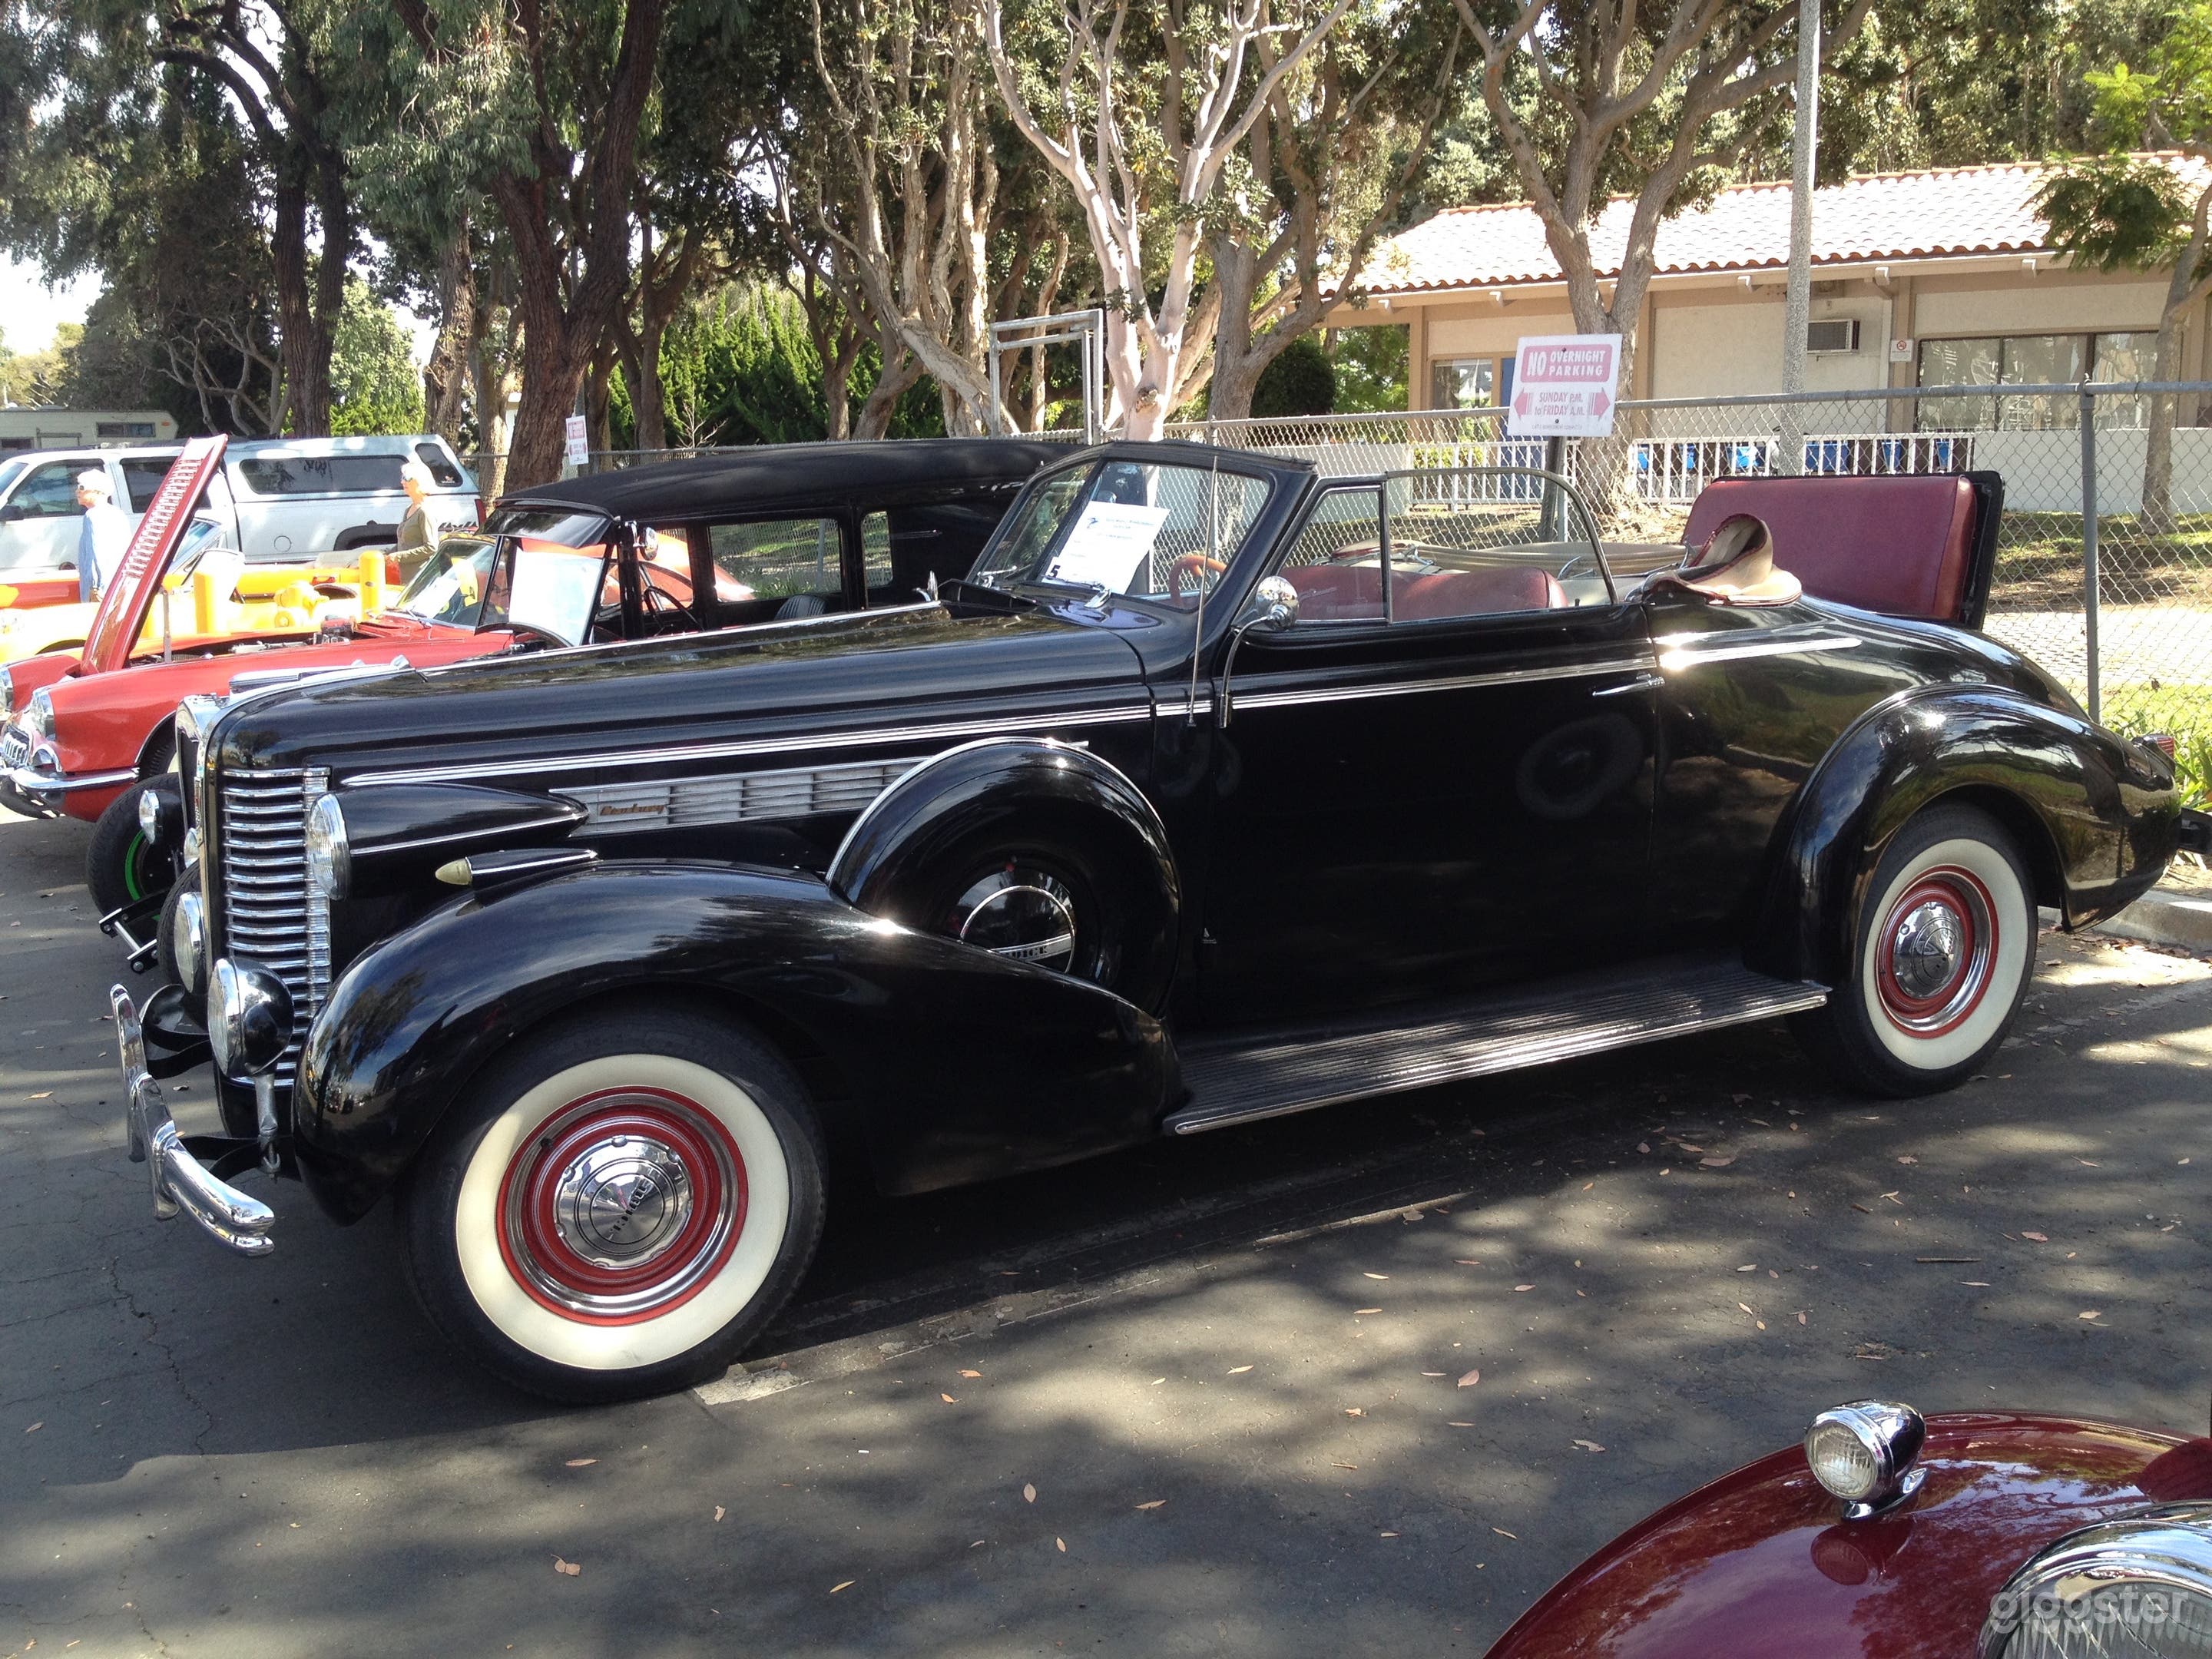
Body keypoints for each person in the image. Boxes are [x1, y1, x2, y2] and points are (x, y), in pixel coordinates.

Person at [75, 471, 133, 602]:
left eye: (82, 487)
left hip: (101, 589)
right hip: (119, 585)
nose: (77, 491)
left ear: (98, 491)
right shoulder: (118, 513)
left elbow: (96, 555)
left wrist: (96, 587)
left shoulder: (92, 515)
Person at [393, 460, 441, 578]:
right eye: (402, 477)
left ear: (420, 481)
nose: (402, 481)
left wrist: (398, 557)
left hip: (422, 579)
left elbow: (431, 548)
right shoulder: (409, 509)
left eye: (407, 478)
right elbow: (405, 544)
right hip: (407, 577)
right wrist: (386, 555)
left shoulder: (425, 511)